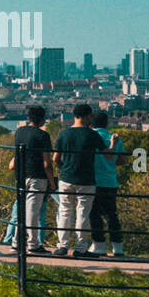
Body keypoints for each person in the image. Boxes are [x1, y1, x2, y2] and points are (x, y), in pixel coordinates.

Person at [52, 103, 116, 258]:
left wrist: (63, 169)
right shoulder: (91, 134)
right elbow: (108, 155)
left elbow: (55, 158)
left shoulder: (64, 134)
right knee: (83, 214)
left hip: (66, 178)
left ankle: (63, 246)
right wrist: (113, 142)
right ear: (87, 116)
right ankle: (80, 249)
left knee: (65, 212)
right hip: (86, 180)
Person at [9, 105, 56, 255]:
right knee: (33, 212)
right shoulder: (43, 136)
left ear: (29, 118)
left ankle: (16, 242)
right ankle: (33, 244)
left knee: (21, 210)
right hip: (37, 177)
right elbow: (47, 163)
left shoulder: (19, 132)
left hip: (21, 175)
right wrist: (52, 183)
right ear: (42, 119)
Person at [88, 111, 125, 257]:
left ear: (91, 123)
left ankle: (99, 245)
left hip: (93, 181)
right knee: (111, 214)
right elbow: (121, 160)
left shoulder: (90, 137)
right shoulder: (115, 138)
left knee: (94, 215)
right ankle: (118, 246)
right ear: (107, 123)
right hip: (110, 181)